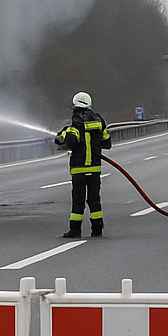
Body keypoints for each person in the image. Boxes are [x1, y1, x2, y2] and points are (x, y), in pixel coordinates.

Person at [56, 92, 111, 238]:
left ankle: (75, 230)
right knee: (94, 200)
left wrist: (65, 135)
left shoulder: (76, 121)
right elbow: (107, 142)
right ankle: (97, 229)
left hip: (79, 169)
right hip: (95, 168)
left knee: (78, 200)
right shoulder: (99, 120)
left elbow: (71, 143)